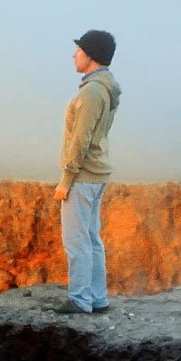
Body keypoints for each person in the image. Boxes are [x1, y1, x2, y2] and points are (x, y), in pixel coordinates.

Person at [53, 30, 121, 315]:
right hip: (96, 175)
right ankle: (97, 298)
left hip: (82, 177)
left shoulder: (92, 91)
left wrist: (66, 180)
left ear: (90, 55)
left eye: (78, 50)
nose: (74, 55)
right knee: (92, 239)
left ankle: (80, 299)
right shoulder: (104, 88)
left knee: (77, 241)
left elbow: (80, 140)